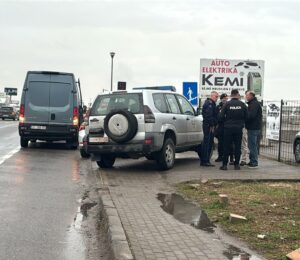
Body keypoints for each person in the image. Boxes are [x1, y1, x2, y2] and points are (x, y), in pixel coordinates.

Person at [219, 89, 248, 170]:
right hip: (238, 128)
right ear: (237, 94)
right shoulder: (242, 104)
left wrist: (226, 122)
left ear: (231, 95)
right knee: (238, 146)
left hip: (228, 128)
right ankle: (236, 165)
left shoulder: (227, 104)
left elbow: (220, 116)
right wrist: (241, 122)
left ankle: (224, 165)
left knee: (226, 146)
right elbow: (247, 116)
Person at [200, 91, 219, 167]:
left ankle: (206, 160)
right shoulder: (209, 104)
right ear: (212, 96)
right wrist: (212, 125)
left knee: (209, 143)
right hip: (208, 126)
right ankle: (205, 161)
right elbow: (208, 116)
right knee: (207, 144)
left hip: (209, 125)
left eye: (217, 97)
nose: (217, 98)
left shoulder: (211, 103)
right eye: (216, 96)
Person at [245, 90, 262, 168]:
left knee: (252, 145)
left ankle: (254, 162)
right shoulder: (253, 103)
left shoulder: (254, 104)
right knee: (251, 145)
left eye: (247, 95)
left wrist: (244, 116)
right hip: (253, 127)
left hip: (253, 128)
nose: (246, 97)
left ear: (251, 96)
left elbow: (251, 116)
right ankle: (252, 161)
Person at [215, 93, 228, 162]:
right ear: (221, 99)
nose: (225, 100)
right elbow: (216, 116)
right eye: (224, 99)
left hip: (227, 126)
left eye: (226, 99)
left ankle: (227, 157)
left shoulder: (229, 106)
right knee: (220, 143)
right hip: (220, 126)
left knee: (227, 143)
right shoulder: (218, 107)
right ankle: (220, 156)